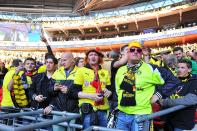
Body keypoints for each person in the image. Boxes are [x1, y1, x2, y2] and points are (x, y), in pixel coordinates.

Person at [115, 41, 165, 131]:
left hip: (141, 115)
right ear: (127, 52)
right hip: (122, 114)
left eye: (138, 50)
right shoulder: (120, 70)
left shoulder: (150, 68)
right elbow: (118, 89)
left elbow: (172, 82)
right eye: (132, 50)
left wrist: (158, 95)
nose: (135, 52)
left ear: (141, 54)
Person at [70, 48, 112, 129]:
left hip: (103, 110)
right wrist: (91, 96)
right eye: (90, 55)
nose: (93, 56)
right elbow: (73, 92)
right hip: (88, 110)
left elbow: (110, 90)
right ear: (87, 58)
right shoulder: (81, 71)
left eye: (95, 55)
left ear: (99, 58)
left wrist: (109, 92)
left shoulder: (105, 72)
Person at [44, 52, 79, 131]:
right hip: (58, 112)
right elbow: (48, 89)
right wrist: (53, 88)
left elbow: (83, 91)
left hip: (74, 112)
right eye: (61, 60)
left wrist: (70, 91)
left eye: (65, 60)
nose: (62, 62)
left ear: (73, 61)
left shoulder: (80, 72)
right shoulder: (57, 72)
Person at [160, 59, 197, 131]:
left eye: (182, 68)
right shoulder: (173, 81)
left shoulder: (194, 82)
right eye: (178, 67)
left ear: (189, 70)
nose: (179, 70)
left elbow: (191, 100)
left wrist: (166, 102)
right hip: (169, 122)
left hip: (182, 124)